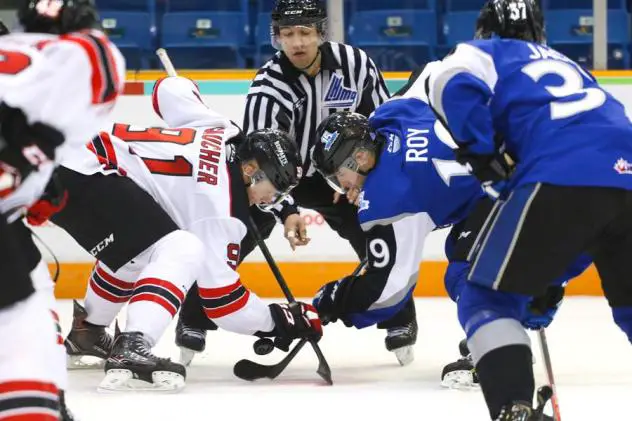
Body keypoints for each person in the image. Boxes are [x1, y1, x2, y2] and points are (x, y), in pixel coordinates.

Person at [36, 75, 322, 391]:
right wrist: (279, 320)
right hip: (87, 172)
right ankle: (133, 346)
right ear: (251, 170)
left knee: (139, 253)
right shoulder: (220, 209)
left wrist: (181, 82)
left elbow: (168, 90)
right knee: (182, 248)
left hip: (63, 157)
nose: (273, 200)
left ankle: (87, 333)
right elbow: (224, 304)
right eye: (276, 187)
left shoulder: (221, 129)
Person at [176, 0, 418, 367]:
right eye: (288, 34)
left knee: (374, 234)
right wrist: (286, 210)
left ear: (321, 32)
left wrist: (367, 182)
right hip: (279, 175)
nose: (297, 42)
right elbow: (258, 161)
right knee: (234, 238)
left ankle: (398, 318)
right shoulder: (267, 87)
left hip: (337, 177)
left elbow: (381, 125)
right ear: (278, 37)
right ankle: (193, 319)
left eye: (305, 32)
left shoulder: (356, 65)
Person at [425, 0, 632, 418]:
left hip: (561, 173)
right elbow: (592, 219)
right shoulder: (574, 68)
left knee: (485, 298)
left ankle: (512, 407)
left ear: (484, 30)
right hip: (627, 171)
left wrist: (484, 160)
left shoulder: (486, 52)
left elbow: (445, 81)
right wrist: (549, 278)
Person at [0, 0, 125, 418]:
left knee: (33, 289)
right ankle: (39, 399)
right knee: (26, 332)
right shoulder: (72, 55)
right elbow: (100, 61)